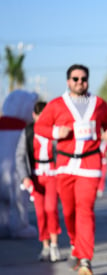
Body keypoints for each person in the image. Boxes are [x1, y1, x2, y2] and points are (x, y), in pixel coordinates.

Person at [34, 64, 107, 275]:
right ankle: (74, 242)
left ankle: (85, 260)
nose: (80, 82)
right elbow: (39, 127)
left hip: (90, 164)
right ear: (68, 81)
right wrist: (56, 131)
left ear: (88, 80)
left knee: (85, 211)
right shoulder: (56, 105)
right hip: (65, 165)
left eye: (83, 79)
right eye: (75, 79)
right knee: (69, 211)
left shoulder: (98, 103)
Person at [15, 101, 62, 262]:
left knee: (51, 209)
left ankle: (55, 246)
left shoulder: (55, 132)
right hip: (35, 176)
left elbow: (62, 151)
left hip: (52, 174)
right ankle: (45, 246)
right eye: (40, 116)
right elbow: (19, 156)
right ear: (34, 115)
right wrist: (24, 177)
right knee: (40, 212)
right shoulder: (28, 132)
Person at [0, 89, 38, 239]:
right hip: (16, 175)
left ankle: (3, 225)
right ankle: (20, 227)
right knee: (18, 202)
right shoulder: (26, 131)